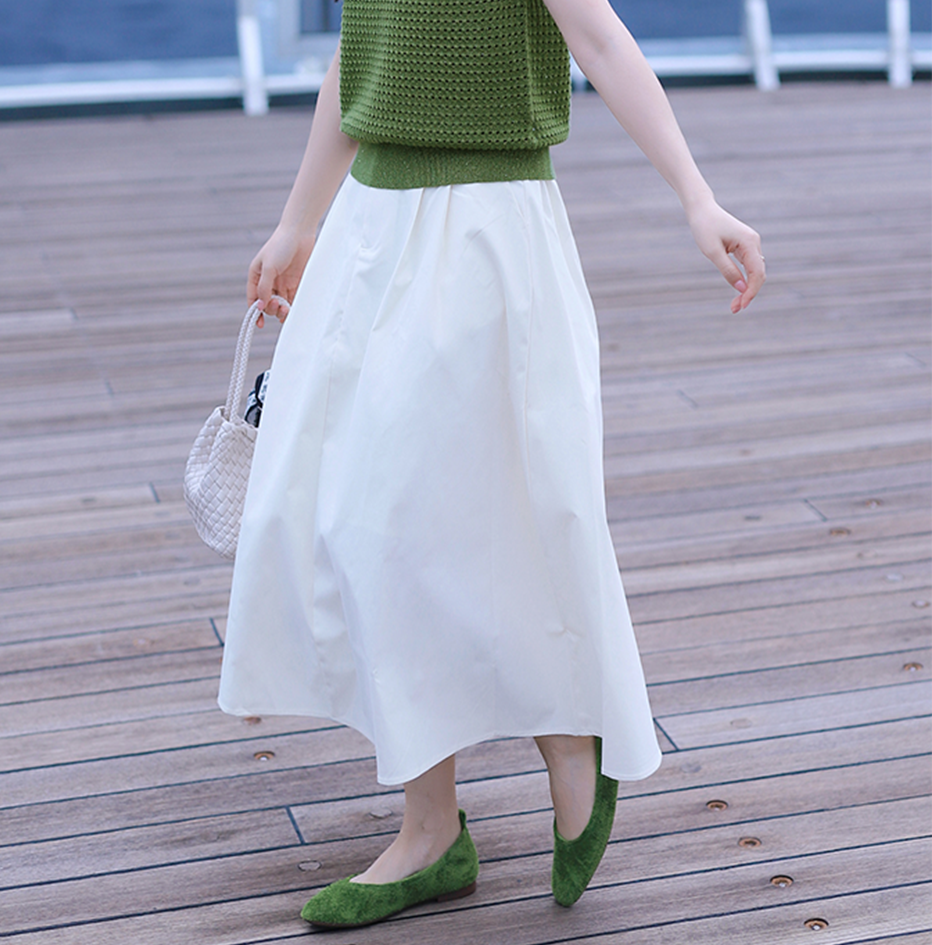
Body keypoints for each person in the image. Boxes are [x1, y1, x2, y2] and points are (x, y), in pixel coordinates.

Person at [218, 0, 765, 929]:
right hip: (370, 232)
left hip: (486, 239)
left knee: (488, 510)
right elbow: (358, 58)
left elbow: (600, 40)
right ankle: (433, 823)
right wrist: (298, 222)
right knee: (364, 523)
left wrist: (696, 197)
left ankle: (564, 736)